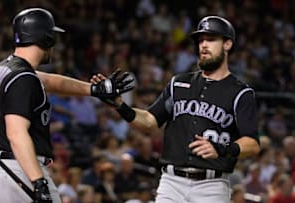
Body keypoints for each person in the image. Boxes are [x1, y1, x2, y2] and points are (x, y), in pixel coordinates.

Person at [91, 16, 261, 203]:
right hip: (171, 183)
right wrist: (120, 106)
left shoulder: (240, 93)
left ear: (227, 44)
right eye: (201, 40)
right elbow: (149, 120)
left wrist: (222, 149)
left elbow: (252, 143)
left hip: (212, 186)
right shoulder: (179, 83)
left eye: (211, 39)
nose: (204, 45)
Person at [0, 8, 134, 203]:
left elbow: (51, 81)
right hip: (18, 172)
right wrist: (38, 181)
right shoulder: (24, 77)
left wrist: (94, 90)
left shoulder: (4, 69)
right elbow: (16, 134)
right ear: (45, 37)